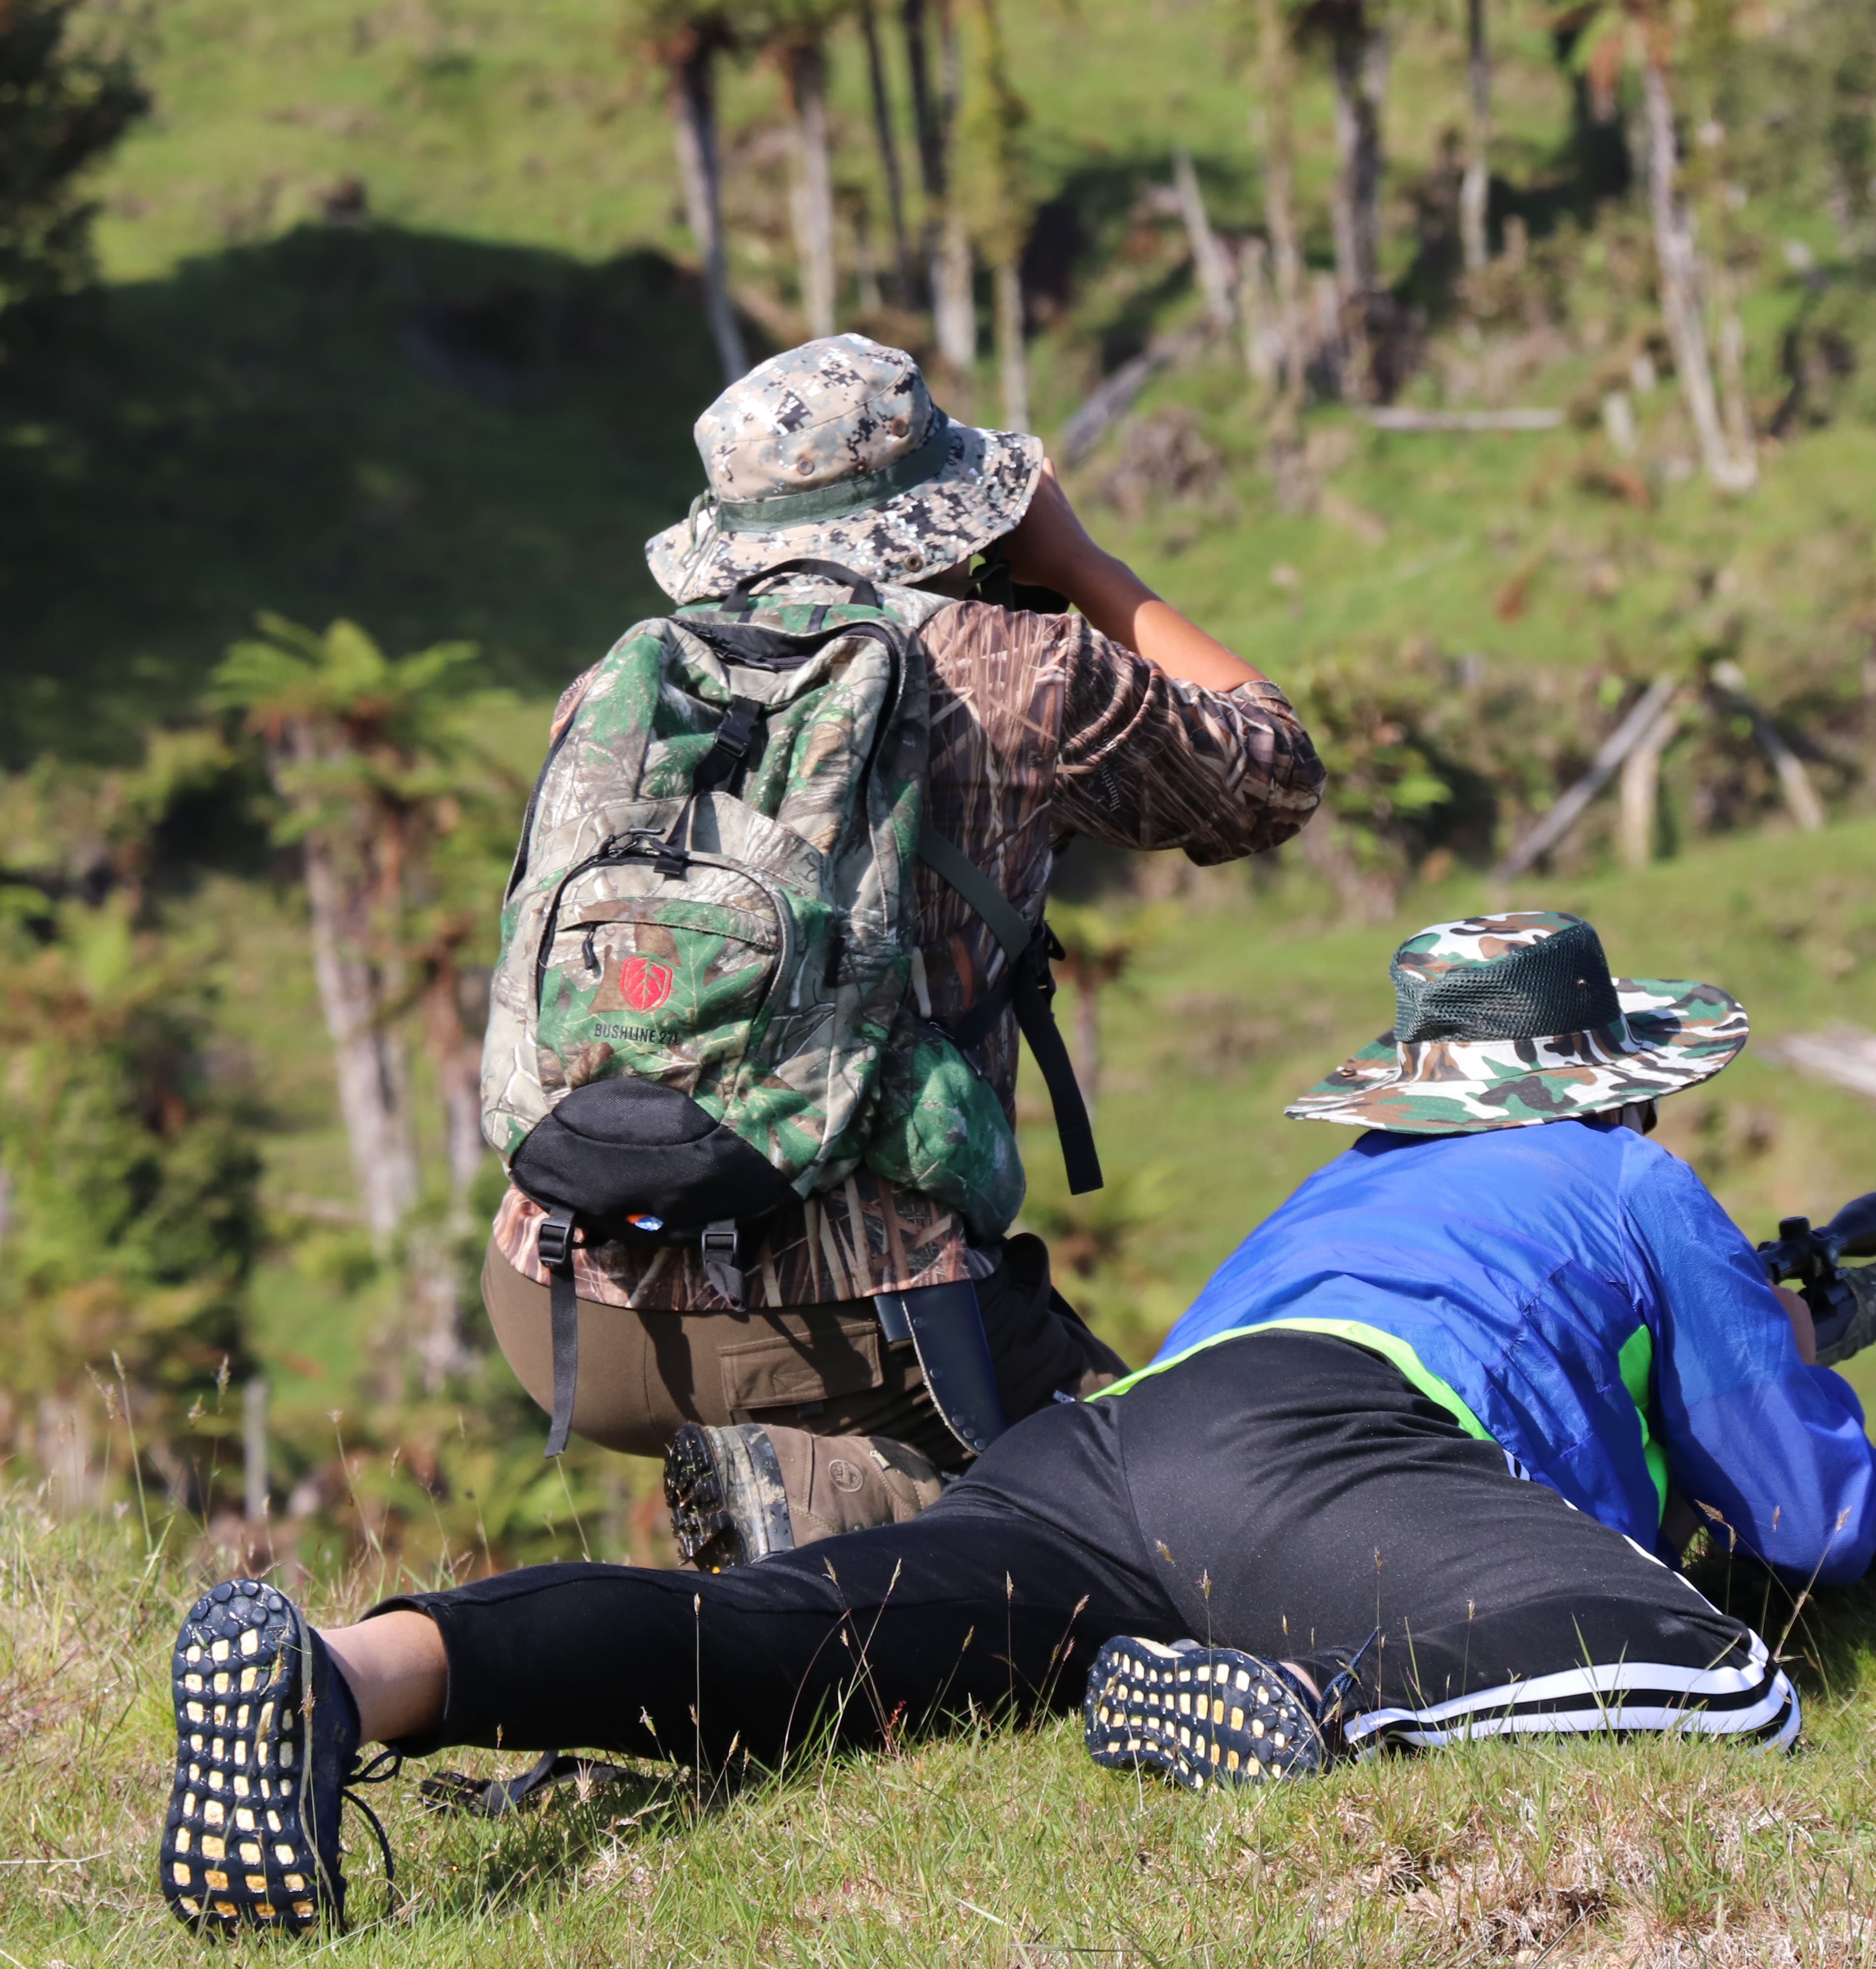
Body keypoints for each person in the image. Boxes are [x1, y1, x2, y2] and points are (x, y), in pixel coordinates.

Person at [157, 914, 1876, 1937]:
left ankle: (357, 1670)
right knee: (1724, 1686)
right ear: (1619, 1082)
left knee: (783, 1639)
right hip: (1339, 1452)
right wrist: (1780, 1349)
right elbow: (1812, 1534)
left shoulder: (1345, 1185)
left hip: (1111, 1449)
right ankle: (1317, 1711)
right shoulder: (1630, 1178)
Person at [473, 333, 1324, 1564]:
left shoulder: (629, 682)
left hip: (566, 1299)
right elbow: (1273, 772)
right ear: (944, 508)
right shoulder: (1024, 670)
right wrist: (1082, 565)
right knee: (1135, 1519)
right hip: (860, 1325)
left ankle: (793, 1514)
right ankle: (838, 1494)